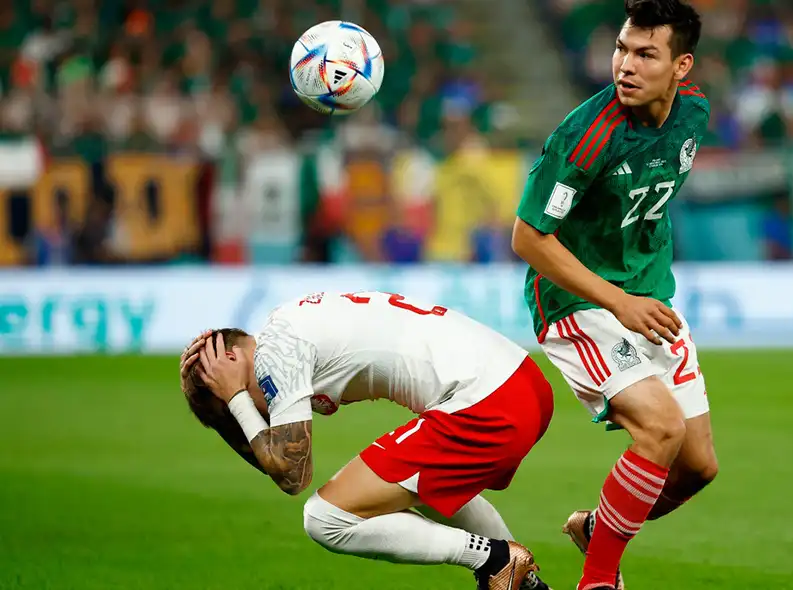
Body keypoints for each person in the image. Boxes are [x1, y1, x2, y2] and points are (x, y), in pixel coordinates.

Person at [510, 1, 718, 589]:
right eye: (621, 49)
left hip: (651, 300)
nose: (626, 65)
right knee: (661, 429)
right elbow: (528, 237)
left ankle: (598, 529)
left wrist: (637, 292)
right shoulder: (585, 135)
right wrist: (617, 301)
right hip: (579, 305)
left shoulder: (694, 113)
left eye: (645, 54)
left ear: (681, 66)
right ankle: (598, 579)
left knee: (698, 467)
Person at [178, 289, 554, 590]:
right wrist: (228, 406)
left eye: (239, 398)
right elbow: (270, 455)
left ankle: (495, 559)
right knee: (420, 491)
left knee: (325, 518)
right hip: (522, 382)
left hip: (489, 399)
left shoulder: (275, 355)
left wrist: (235, 398)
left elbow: (292, 474)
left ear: (233, 358)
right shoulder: (287, 328)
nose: (250, 411)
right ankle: (526, 584)